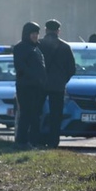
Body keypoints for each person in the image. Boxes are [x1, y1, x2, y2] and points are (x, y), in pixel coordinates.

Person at [40, 19, 76, 148]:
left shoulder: (39, 44)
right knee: (56, 115)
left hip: (40, 85)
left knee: (37, 112)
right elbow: (72, 69)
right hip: (58, 86)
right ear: (58, 31)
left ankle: (37, 138)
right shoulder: (65, 47)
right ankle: (53, 141)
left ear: (45, 30)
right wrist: (63, 79)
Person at [13, 21, 47, 148]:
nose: (35, 36)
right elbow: (21, 67)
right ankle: (22, 141)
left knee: (35, 116)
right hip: (26, 86)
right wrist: (34, 76)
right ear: (27, 34)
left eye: (37, 34)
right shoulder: (20, 47)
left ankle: (33, 141)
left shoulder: (36, 48)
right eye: (33, 33)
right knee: (26, 114)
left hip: (37, 87)